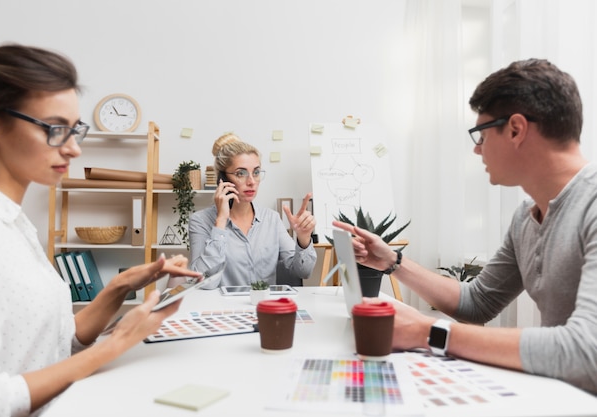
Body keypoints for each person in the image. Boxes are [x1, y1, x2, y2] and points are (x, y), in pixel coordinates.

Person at [334, 58, 597, 394]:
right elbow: (477, 303)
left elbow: (587, 352)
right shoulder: (524, 219)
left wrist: (426, 332)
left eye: (481, 134)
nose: (476, 149)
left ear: (516, 129)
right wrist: (391, 263)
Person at [0, 44, 201, 416]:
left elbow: (53, 345)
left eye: (75, 130)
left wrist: (120, 288)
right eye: (56, 129)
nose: (75, 149)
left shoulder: (12, 221)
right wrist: (114, 345)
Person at [182, 133, 317, 289]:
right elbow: (202, 283)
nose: (251, 182)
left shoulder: (271, 219)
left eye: (256, 172)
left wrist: (304, 239)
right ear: (222, 179)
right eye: (241, 173)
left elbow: (303, 272)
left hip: (264, 307)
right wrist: (220, 222)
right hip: (224, 309)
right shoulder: (200, 221)